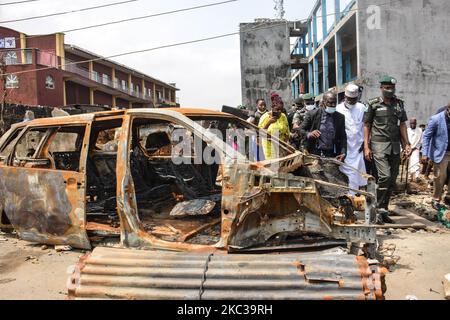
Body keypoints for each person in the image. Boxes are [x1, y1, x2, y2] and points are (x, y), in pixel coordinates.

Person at [364, 75, 412, 223]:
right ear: (381, 88)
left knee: (392, 180)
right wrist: (366, 146)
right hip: (378, 146)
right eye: (386, 88)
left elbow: (402, 125)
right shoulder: (373, 104)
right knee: (384, 176)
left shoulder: (399, 104)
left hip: (395, 147)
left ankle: (383, 211)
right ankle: (376, 209)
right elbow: (367, 125)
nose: (389, 90)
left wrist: (407, 144)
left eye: (392, 88)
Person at [299, 91, 347, 161]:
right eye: (330, 103)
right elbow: (300, 130)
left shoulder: (340, 117)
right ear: (323, 102)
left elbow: (343, 137)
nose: (333, 105)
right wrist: (309, 134)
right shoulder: (312, 114)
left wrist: (343, 152)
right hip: (314, 153)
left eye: (334, 103)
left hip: (332, 154)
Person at [337, 84, 367, 193]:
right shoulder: (338, 109)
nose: (352, 102)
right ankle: (351, 196)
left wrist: (366, 143)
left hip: (359, 147)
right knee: (349, 173)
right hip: (345, 147)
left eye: (354, 100)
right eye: (350, 99)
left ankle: (358, 194)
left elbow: (366, 126)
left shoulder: (361, 108)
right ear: (345, 97)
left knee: (360, 174)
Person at [422, 102, 450, 210]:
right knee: (440, 176)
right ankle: (436, 199)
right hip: (441, 153)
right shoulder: (436, 119)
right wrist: (425, 153)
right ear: (448, 110)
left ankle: (448, 197)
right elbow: (427, 136)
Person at [258, 93, 290, 159]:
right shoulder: (265, 117)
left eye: (281, 110)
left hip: (281, 148)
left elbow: (287, 132)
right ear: (272, 108)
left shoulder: (283, 116)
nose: (279, 112)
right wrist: (268, 123)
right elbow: (260, 133)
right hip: (269, 148)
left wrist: (285, 145)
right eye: (277, 110)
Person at [407, 118, 423, 182]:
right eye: (411, 123)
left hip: (416, 149)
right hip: (408, 149)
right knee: (409, 163)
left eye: (414, 123)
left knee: (416, 162)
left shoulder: (419, 130)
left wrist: (413, 148)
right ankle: (409, 176)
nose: (412, 124)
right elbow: (405, 140)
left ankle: (417, 176)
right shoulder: (407, 130)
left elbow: (420, 141)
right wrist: (408, 148)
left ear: (416, 123)